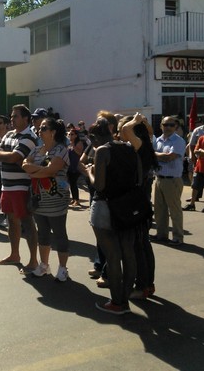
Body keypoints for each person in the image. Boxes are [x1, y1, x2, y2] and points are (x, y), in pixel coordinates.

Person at [83, 118, 138, 314]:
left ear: (93, 137)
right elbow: (138, 177)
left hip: (105, 205)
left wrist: (89, 171)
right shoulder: (129, 148)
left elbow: (99, 185)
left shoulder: (102, 151)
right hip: (129, 206)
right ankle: (125, 300)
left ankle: (117, 302)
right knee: (128, 254)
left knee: (113, 255)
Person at [22, 117, 71, 281]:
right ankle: (44, 265)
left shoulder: (61, 150)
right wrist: (42, 170)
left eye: (43, 128)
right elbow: (25, 165)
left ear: (53, 132)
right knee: (42, 233)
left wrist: (35, 171)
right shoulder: (36, 150)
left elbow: (52, 170)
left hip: (56, 199)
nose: (39, 130)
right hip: (38, 198)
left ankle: (63, 268)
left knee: (59, 233)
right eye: (39, 127)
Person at [0, 105, 38, 272]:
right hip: (7, 186)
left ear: (26, 119)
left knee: (27, 222)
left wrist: (0, 154)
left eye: (15, 116)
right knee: (11, 221)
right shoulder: (11, 135)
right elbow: (0, 151)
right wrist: (2, 154)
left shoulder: (29, 137)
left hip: (21, 187)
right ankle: (15, 255)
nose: (12, 119)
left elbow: (14, 157)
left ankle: (33, 261)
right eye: (11, 117)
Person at [118, 113, 158, 300]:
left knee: (138, 247)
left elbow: (127, 129)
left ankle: (143, 286)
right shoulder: (143, 144)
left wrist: (133, 120)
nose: (120, 133)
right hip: (140, 203)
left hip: (137, 204)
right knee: (143, 244)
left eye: (121, 130)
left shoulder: (139, 146)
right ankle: (147, 284)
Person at [151, 116, 186, 245]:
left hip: (172, 180)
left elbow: (169, 157)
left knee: (174, 210)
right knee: (160, 210)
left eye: (171, 125)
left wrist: (153, 154)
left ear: (176, 127)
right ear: (161, 125)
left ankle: (178, 237)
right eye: (166, 125)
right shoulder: (159, 140)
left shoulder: (178, 141)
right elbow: (161, 156)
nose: (168, 127)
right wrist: (157, 155)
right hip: (159, 178)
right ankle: (161, 234)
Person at [67, 128, 84, 207]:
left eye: (72, 134)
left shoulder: (78, 143)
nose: (70, 136)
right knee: (71, 183)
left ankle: (76, 200)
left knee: (73, 183)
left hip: (76, 166)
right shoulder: (69, 143)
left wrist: (73, 145)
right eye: (69, 134)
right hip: (70, 166)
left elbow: (79, 153)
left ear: (76, 135)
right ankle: (74, 199)